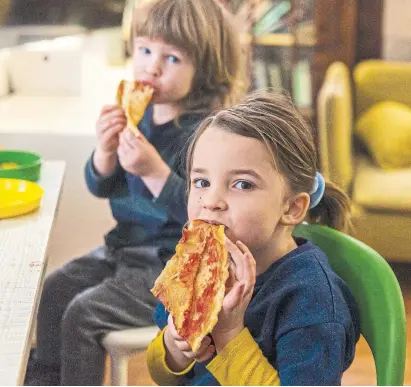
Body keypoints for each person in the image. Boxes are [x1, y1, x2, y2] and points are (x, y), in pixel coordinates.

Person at [24, 0, 246, 385]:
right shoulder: (137, 116)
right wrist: (105, 153)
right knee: (55, 288)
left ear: (205, 71)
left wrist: (155, 171)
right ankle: (45, 379)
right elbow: (100, 186)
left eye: (172, 58)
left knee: (83, 313)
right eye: (144, 50)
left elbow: (207, 215)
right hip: (122, 247)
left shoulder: (207, 136)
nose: (152, 66)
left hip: (170, 266)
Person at [147, 90, 360, 386]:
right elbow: (163, 376)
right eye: (202, 182)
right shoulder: (198, 271)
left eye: (242, 184)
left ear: (292, 207)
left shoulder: (314, 303)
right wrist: (174, 346)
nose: (212, 201)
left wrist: (228, 335)